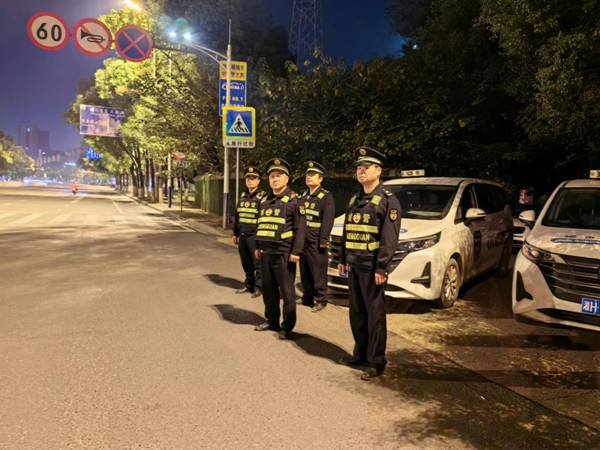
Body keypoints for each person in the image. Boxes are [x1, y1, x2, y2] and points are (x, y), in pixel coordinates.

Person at [338, 147, 401, 380]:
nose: (361, 171)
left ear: (378, 170)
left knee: (375, 316)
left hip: (372, 268)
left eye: (366, 167)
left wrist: (382, 267)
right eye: (358, 167)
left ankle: (376, 360)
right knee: (357, 313)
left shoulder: (388, 201)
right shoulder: (355, 199)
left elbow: (389, 239)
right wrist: (342, 258)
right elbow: (347, 231)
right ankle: (360, 354)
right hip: (354, 265)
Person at [254, 158, 306, 339]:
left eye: (279, 175)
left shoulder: (294, 201)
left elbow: (300, 228)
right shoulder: (265, 200)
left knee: (287, 292)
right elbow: (261, 224)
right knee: (268, 290)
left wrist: (296, 252)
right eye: (272, 176)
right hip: (266, 252)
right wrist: (258, 246)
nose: (275, 179)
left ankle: (287, 326)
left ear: (287, 179)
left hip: (284, 253)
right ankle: (272, 321)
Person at [299, 161, 335, 312]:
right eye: (308, 174)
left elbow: (328, 219)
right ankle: (307, 296)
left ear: (320, 178)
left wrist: (323, 240)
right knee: (305, 270)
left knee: (318, 271)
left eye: (312, 175)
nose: (309, 177)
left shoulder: (325, 196)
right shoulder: (303, 195)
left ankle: (321, 299)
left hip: (316, 240)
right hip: (303, 241)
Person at [232, 166, 267, 298]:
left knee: (258, 263)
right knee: (246, 262)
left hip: (255, 236)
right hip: (243, 235)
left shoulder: (263, 196)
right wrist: (235, 233)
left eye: (253, 178)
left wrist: (261, 238)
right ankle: (249, 285)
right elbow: (238, 216)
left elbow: (263, 218)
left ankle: (259, 287)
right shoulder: (242, 196)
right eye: (248, 178)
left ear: (258, 180)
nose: (250, 181)